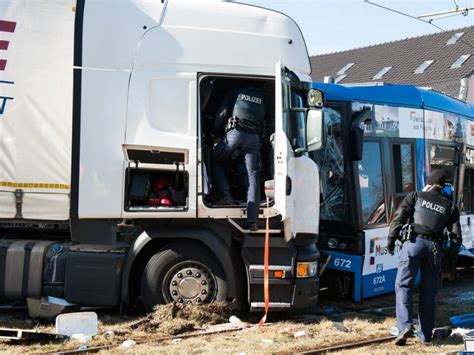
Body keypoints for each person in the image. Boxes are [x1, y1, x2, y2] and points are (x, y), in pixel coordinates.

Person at [387, 169, 462, 346]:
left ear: (428, 183)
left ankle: (405, 326)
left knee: (404, 285)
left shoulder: (415, 196)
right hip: (434, 249)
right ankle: (426, 334)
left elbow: (398, 219)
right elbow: (456, 238)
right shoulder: (449, 206)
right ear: (443, 187)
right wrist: (450, 260)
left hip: (413, 244)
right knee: (429, 292)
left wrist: (391, 241)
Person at [211, 86, 265, 231]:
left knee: (216, 160)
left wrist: (214, 132)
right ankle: (252, 221)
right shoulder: (261, 96)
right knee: (252, 176)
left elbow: (222, 113)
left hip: (236, 133)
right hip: (254, 138)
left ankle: (226, 197)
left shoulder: (235, 91)